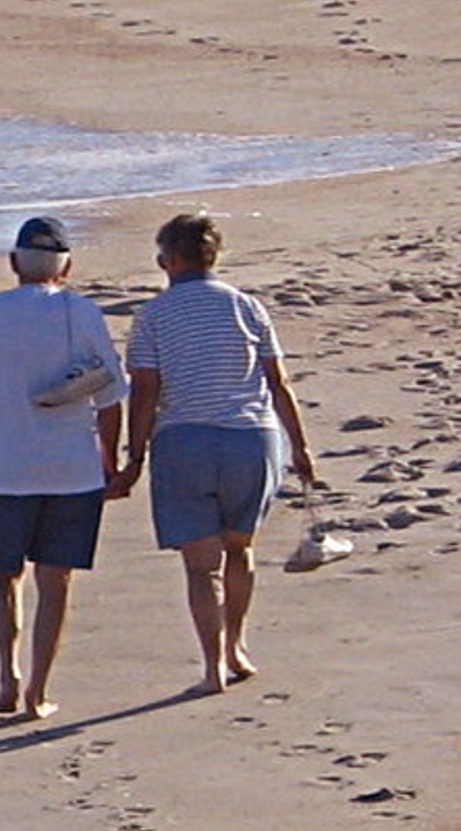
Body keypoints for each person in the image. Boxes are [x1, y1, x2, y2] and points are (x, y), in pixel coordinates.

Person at [109, 213, 316, 695]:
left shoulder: (154, 316)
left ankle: (211, 668)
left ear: (172, 261)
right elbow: (277, 382)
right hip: (251, 438)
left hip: (185, 440)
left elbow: (144, 389)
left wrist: (134, 456)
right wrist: (300, 446)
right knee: (239, 549)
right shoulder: (247, 307)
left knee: (202, 565)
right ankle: (236, 646)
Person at [0, 216, 128, 720]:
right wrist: (110, 462)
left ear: (13, 264)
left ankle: (9, 674)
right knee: (56, 579)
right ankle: (38, 691)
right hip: (73, 471)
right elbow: (111, 398)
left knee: (3, 573)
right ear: (67, 266)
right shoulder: (84, 312)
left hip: (6, 469)